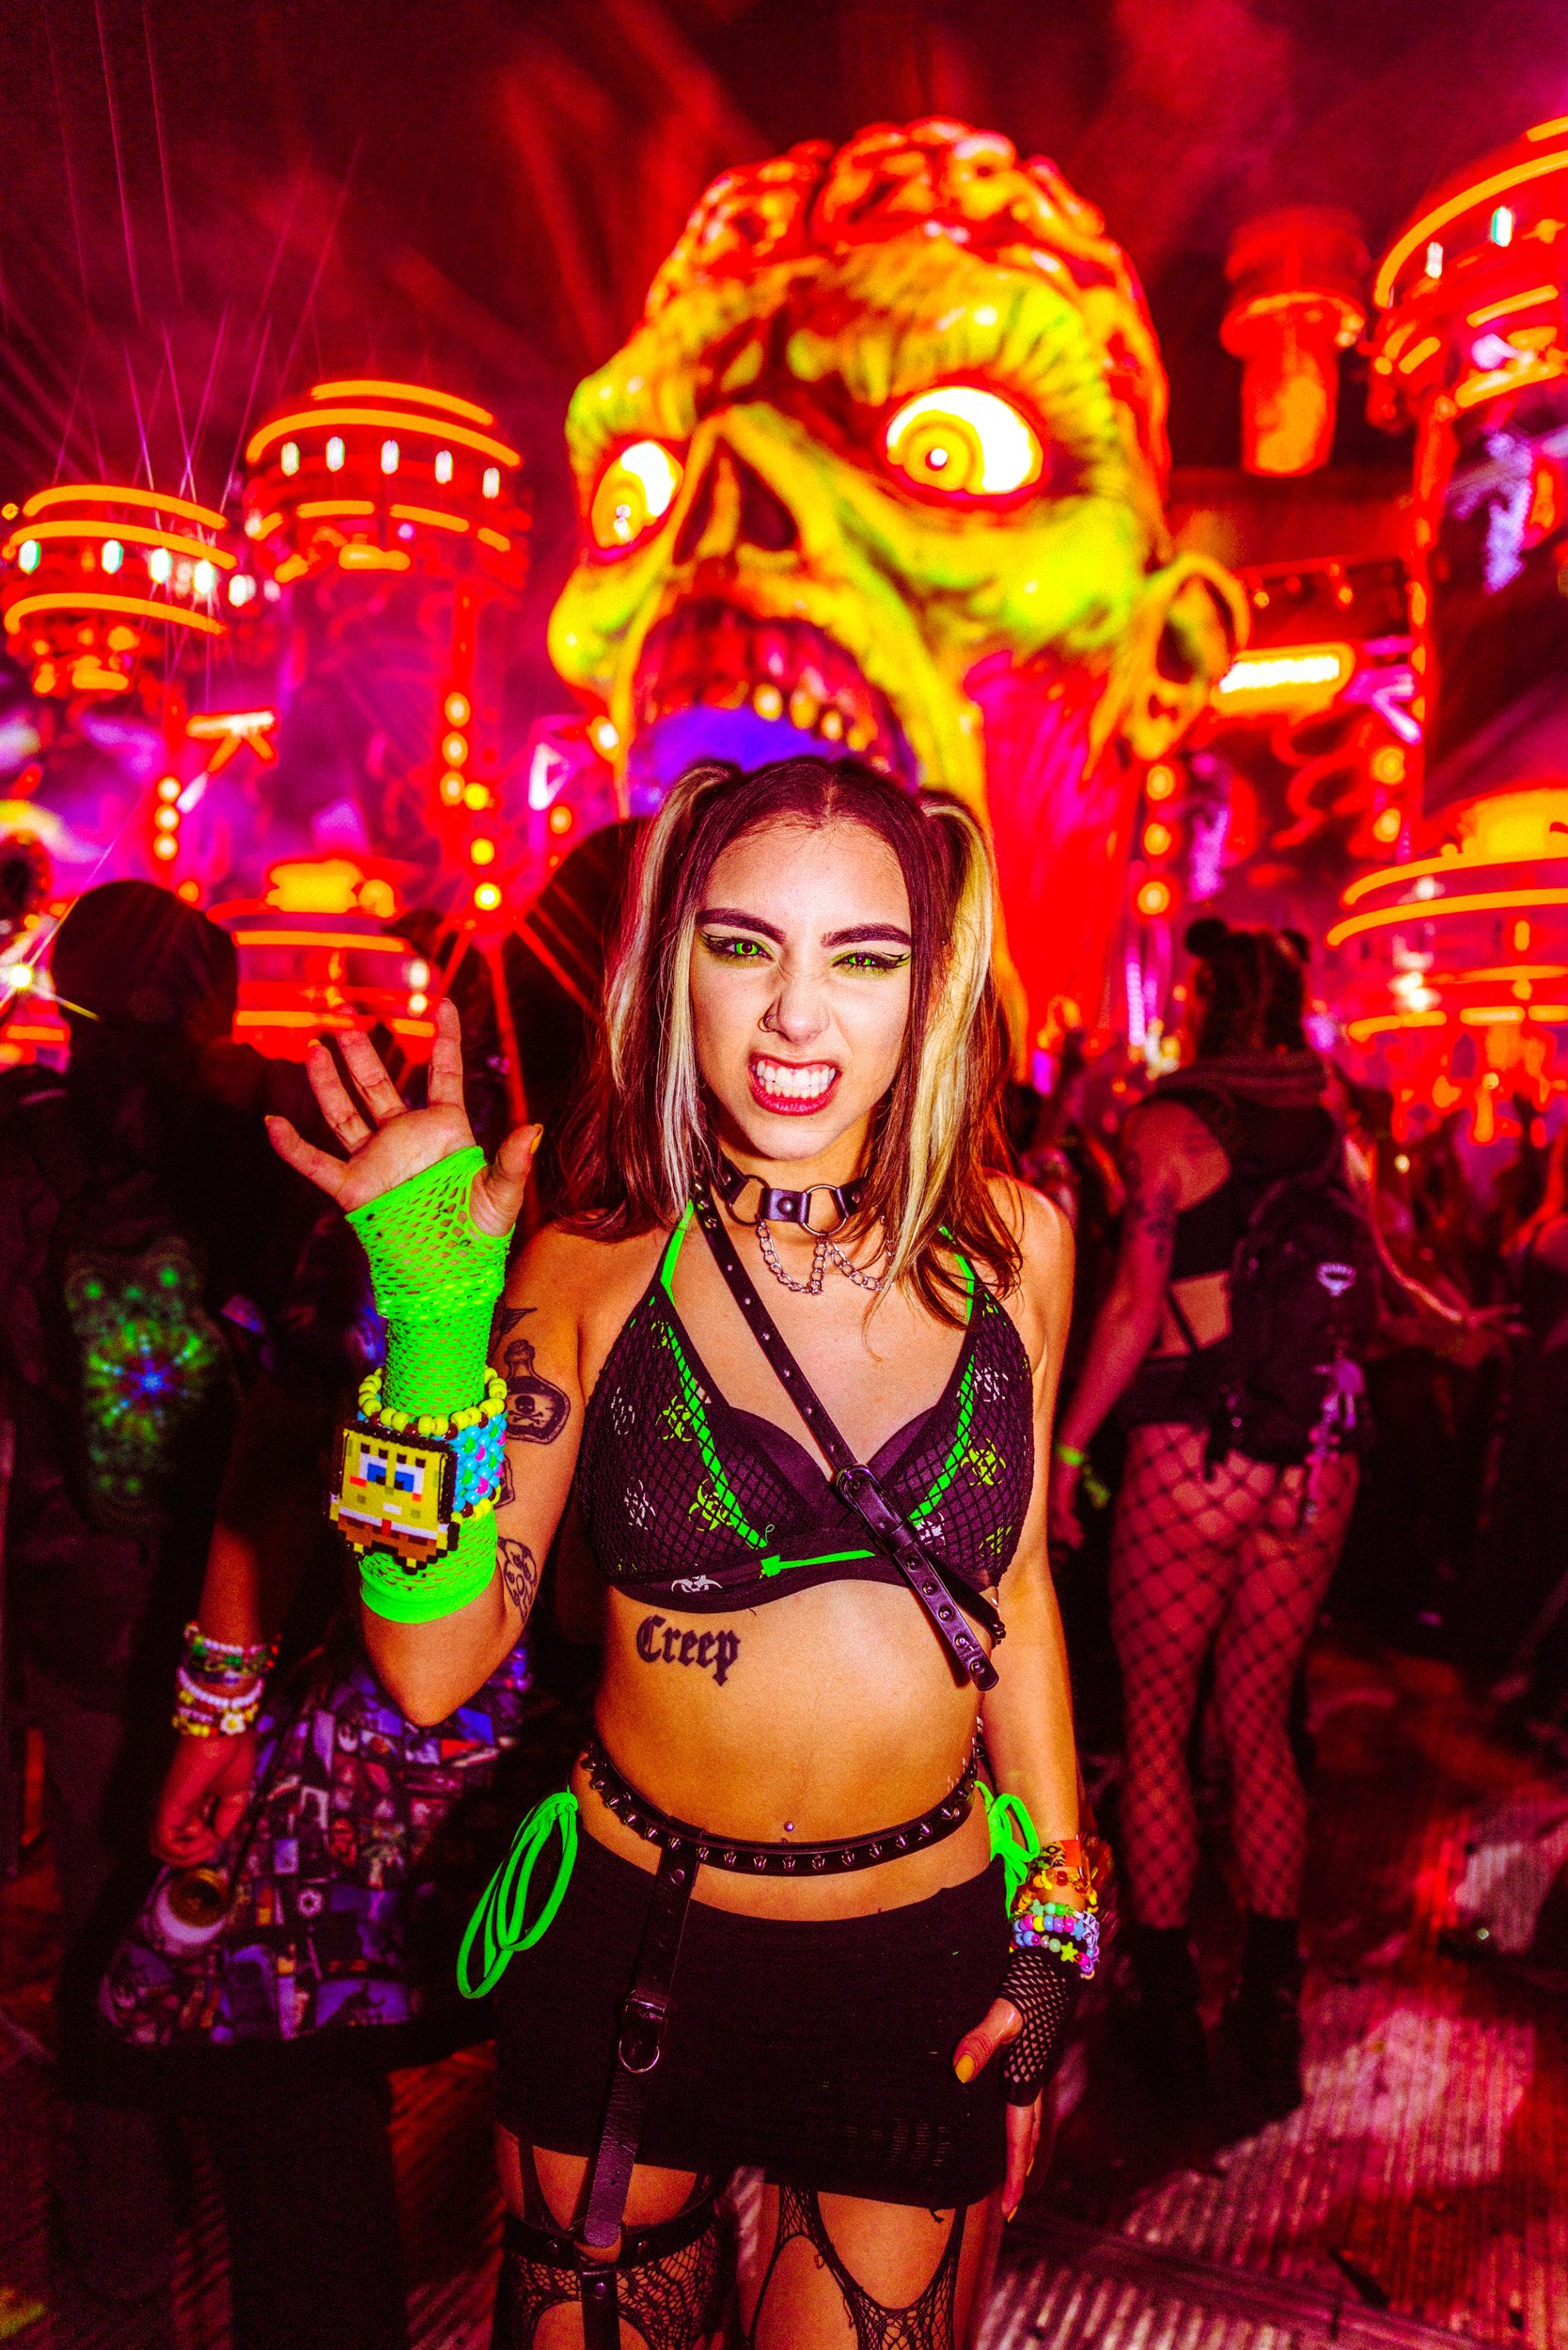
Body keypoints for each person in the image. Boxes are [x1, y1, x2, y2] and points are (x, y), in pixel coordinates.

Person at [266, 755, 1092, 2350]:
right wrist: (432, 1321)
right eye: (743, 945)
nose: (797, 1015)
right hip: (634, 1948)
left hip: (917, 1969)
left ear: (930, 989)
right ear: (671, 967)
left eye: (863, 958)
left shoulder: (1016, 1249)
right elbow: (428, 1666)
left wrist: (1057, 1924)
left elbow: (1013, 1590)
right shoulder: (591, 1262)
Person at [0, 880, 314, 2304]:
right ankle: (278, 2251)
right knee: (256, 1932)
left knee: (98, 1920)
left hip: (79, 1608)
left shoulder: (21, 1147)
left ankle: (116, 2255)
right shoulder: (266, 1147)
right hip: (252, 1611)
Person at [1048, 918, 1368, 2124]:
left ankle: (1167, 2001)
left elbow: (1136, 1305)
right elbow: (1379, 1285)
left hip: (1192, 1451)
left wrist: (1070, 1450)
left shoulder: (1169, 1125)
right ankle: (1272, 2006)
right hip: (1313, 1461)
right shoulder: (1329, 1127)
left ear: (1202, 1006)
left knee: (1159, 1730)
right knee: (1262, 1725)